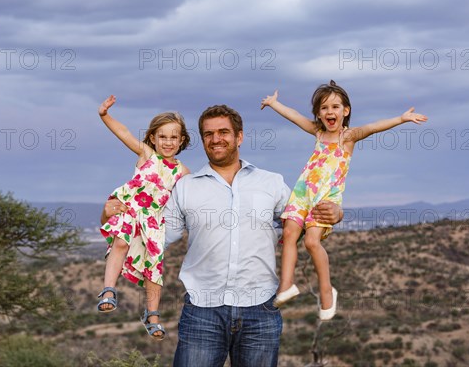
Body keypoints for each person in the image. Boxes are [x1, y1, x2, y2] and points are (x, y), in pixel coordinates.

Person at [102, 104, 341, 366]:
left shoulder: (271, 183)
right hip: (201, 313)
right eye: (209, 134)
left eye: (224, 132)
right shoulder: (184, 187)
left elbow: (301, 223)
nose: (216, 139)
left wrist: (336, 213)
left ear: (239, 137)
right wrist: (109, 216)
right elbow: (157, 236)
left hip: (261, 311)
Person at [260, 81, 428, 321]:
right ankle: (286, 285)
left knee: (311, 241)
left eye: (336, 107)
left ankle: (327, 290)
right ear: (318, 113)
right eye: (325, 108)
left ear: (345, 111)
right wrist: (275, 103)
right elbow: (295, 116)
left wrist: (401, 119)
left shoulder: (348, 137)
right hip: (302, 193)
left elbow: (373, 127)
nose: (330, 112)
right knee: (289, 233)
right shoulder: (317, 132)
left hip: (325, 198)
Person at [96, 95, 190, 340]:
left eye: (173, 137)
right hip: (130, 209)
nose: (168, 142)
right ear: (152, 138)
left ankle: (153, 314)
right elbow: (124, 132)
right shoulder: (148, 155)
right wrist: (105, 115)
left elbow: (191, 196)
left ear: (181, 140)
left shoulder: (183, 172)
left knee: (154, 267)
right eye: (162, 137)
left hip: (153, 221)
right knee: (120, 243)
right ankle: (108, 290)